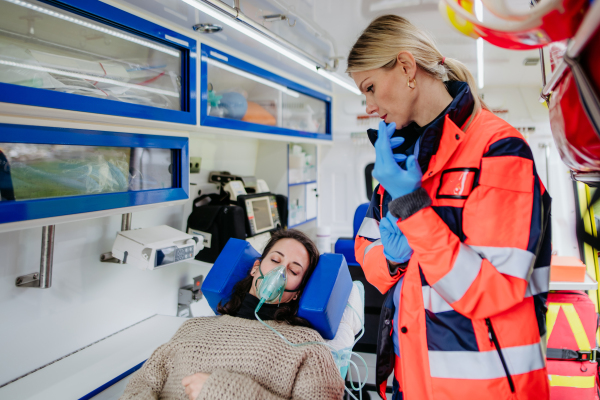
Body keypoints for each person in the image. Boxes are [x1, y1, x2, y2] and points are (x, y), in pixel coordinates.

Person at [348, 15, 551, 400]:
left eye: (371, 88)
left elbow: (492, 291)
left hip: (487, 387)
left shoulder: (499, 150)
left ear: (407, 67)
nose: (370, 106)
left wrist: (412, 209)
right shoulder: (398, 165)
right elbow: (368, 250)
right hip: (413, 379)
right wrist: (392, 260)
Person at [120, 229, 345, 400]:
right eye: (275, 260)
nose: (279, 273)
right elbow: (142, 384)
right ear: (256, 267)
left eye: (294, 271)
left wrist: (225, 391)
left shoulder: (307, 346)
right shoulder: (192, 328)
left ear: (297, 293)